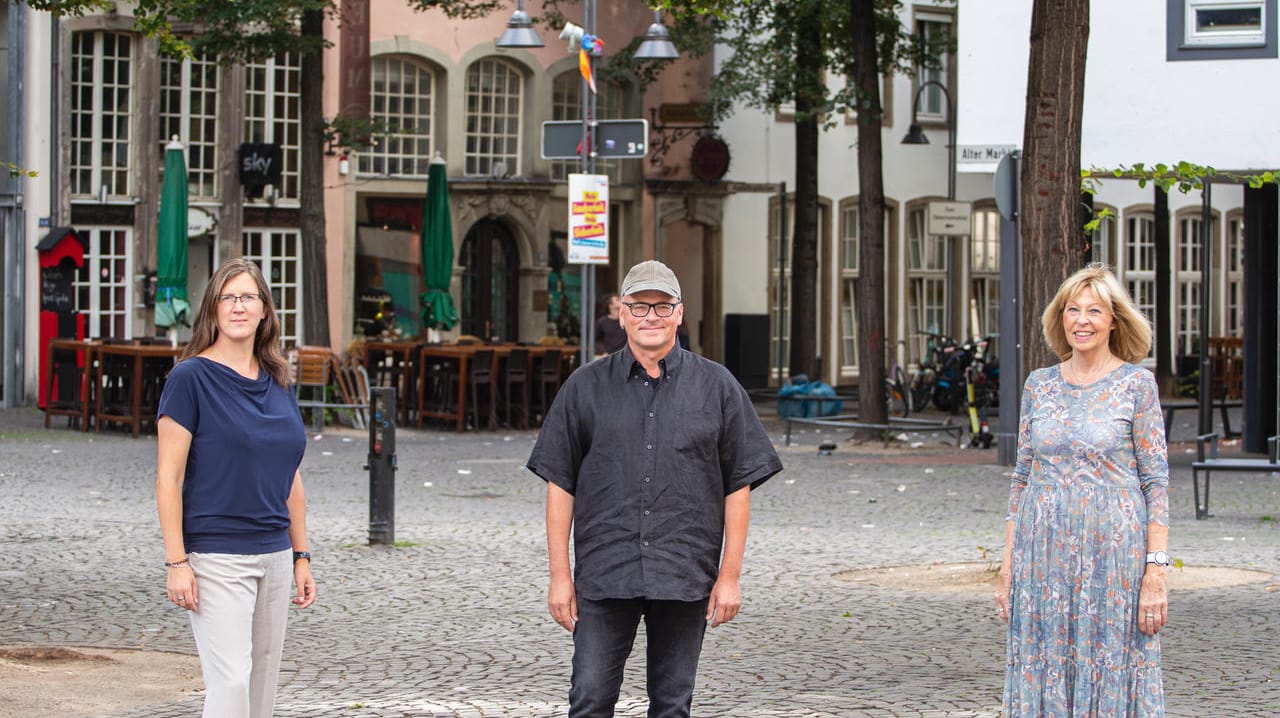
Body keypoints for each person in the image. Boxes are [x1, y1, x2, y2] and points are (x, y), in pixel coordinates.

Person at [527, 259, 782, 717]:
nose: (650, 317)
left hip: (685, 573)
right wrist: (560, 577)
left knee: (672, 706)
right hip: (605, 574)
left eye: (662, 307)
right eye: (639, 306)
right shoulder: (584, 388)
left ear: (679, 314)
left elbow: (738, 486)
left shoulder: (718, 387)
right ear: (620, 314)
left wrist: (730, 577)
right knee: (588, 699)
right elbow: (559, 484)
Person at [995, 263, 1169, 716]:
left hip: (1113, 560)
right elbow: (1021, 478)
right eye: (1073, 309)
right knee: (1043, 659)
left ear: (1115, 320)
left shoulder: (1137, 385)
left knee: (1112, 659)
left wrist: (1156, 571)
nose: (1082, 320)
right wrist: (1008, 564)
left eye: (1094, 310)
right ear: (1060, 318)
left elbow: (1155, 482)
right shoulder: (1039, 385)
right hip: (1042, 558)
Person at [156, 258, 316, 718]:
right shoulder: (190, 379)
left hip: (274, 554)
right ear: (213, 309)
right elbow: (168, 478)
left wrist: (300, 555)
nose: (239, 307)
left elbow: (290, 474)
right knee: (230, 683)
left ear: (265, 310)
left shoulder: (279, 380)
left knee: (262, 688)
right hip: (217, 557)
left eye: (248, 297)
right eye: (228, 298)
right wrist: (176, 562)